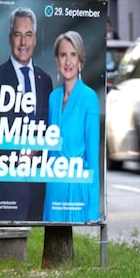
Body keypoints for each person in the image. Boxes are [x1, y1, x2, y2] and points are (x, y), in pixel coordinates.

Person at [0, 6, 53, 222]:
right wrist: (15, 156)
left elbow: (47, 125)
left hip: (37, 177)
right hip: (9, 177)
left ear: (35, 39)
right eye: (18, 35)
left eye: (28, 35)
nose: (23, 43)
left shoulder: (45, 81)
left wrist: (36, 151)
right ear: (10, 39)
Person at [43, 31, 100, 223]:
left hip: (77, 189)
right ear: (57, 60)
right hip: (55, 188)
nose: (68, 61)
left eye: (73, 55)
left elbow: (93, 157)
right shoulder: (53, 98)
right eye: (63, 55)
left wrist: (93, 211)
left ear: (80, 60)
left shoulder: (89, 98)